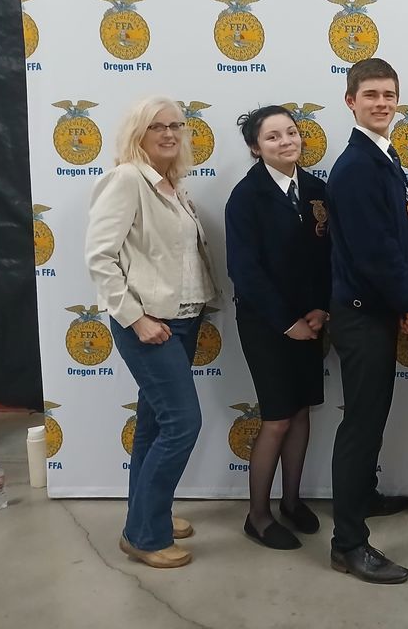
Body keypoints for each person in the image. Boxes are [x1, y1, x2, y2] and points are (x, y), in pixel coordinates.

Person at [85, 96, 217, 569]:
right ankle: (145, 534)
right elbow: (100, 257)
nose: (168, 134)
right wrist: (135, 318)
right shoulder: (126, 180)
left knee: (156, 424)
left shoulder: (173, 187)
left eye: (176, 126)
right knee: (183, 423)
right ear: (137, 133)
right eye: (156, 126)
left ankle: (146, 514)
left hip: (181, 318)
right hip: (147, 322)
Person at [326, 58, 408, 584]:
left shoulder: (382, 157)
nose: (382, 102)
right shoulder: (357, 166)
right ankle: (348, 543)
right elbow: (375, 253)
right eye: (371, 95)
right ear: (351, 101)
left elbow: (401, 239)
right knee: (361, 426)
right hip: (363, 315)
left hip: (376, 312)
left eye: (389, 94)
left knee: (370, 419)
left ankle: (362, 497)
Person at [225, 105, 332, 550]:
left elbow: (327, 259)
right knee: (276, 417)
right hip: (267, 324)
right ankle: (258, 516)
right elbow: (245, 271)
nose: (286, 141)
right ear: (255, 147)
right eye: (273, 137)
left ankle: (291, 501)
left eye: (291, 132)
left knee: (303, 409)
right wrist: (287, 322)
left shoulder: (317, 190)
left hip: (311, 321)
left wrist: (321, 310)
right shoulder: (245, 197)